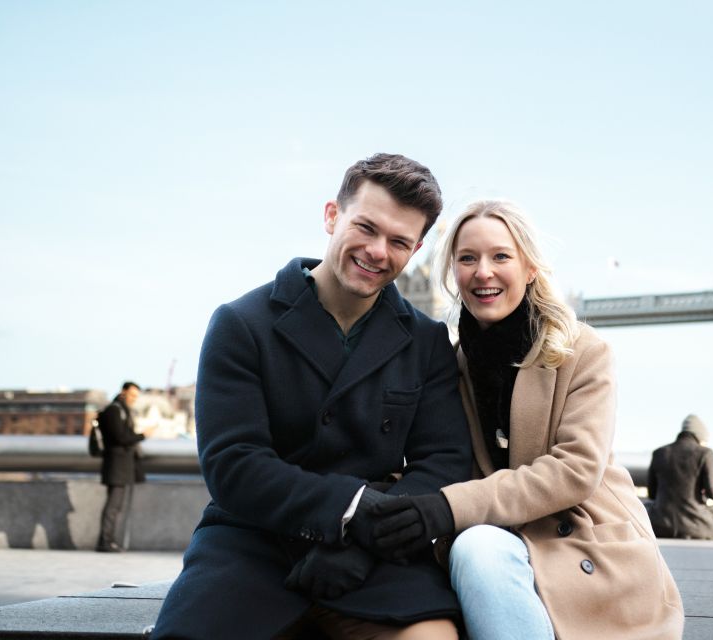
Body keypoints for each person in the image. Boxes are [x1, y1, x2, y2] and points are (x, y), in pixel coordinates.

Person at [151, 154, 473, 640]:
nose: (378, 251)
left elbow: (445, 461)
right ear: (331, 216)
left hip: (378, 553)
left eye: (399, 242)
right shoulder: (241, 324)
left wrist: (365, 540)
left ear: (416, 249)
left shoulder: (427, 341)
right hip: (252, 543)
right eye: (366, 227)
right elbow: (233, 464)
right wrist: (351, 511)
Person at [370, 201, 684, 640]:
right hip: (502, 546)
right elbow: (441, 458)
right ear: (453, 273)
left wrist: (446, 507)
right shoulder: (451, 364)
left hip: (586, 548)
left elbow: (575, 470)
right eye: (467, 258)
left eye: (501, 256)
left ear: (531, 268)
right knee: (475, 547)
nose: (483, 272)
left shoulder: (583, 351)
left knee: (476, 543)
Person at [646, 414, 713, 540]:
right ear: (701, 437)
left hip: (659, 524)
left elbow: (652, 494)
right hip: (695, 525)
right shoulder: (705, 453)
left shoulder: (659, 453)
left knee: (646, 507)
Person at [96, 381, 153, 552]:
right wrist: (143, 435)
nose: (134, 399)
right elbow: (120, 437)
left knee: (115, 506)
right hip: (116, 465)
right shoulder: (115, 410)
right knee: (113, 506)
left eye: (136, 396)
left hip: (120, 465)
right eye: (132, 395)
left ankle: (107, 541)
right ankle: (105, 542)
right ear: (123, 392)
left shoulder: (120, 409)